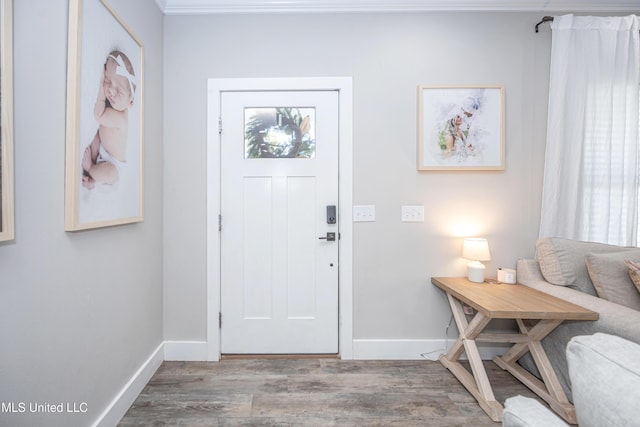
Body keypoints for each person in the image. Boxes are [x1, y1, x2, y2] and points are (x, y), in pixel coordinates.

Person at [82, 50, 136, 190]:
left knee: (110, 174)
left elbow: (98, 115)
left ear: (130, 102)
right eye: (107, 81)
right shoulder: (114, 105)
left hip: (114, 165)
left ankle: (92, 169)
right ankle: (93, 179)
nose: (111, 91)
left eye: (119, 91)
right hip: (103, 149)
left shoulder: (121, 119)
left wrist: (101, 88)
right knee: (93, 139)